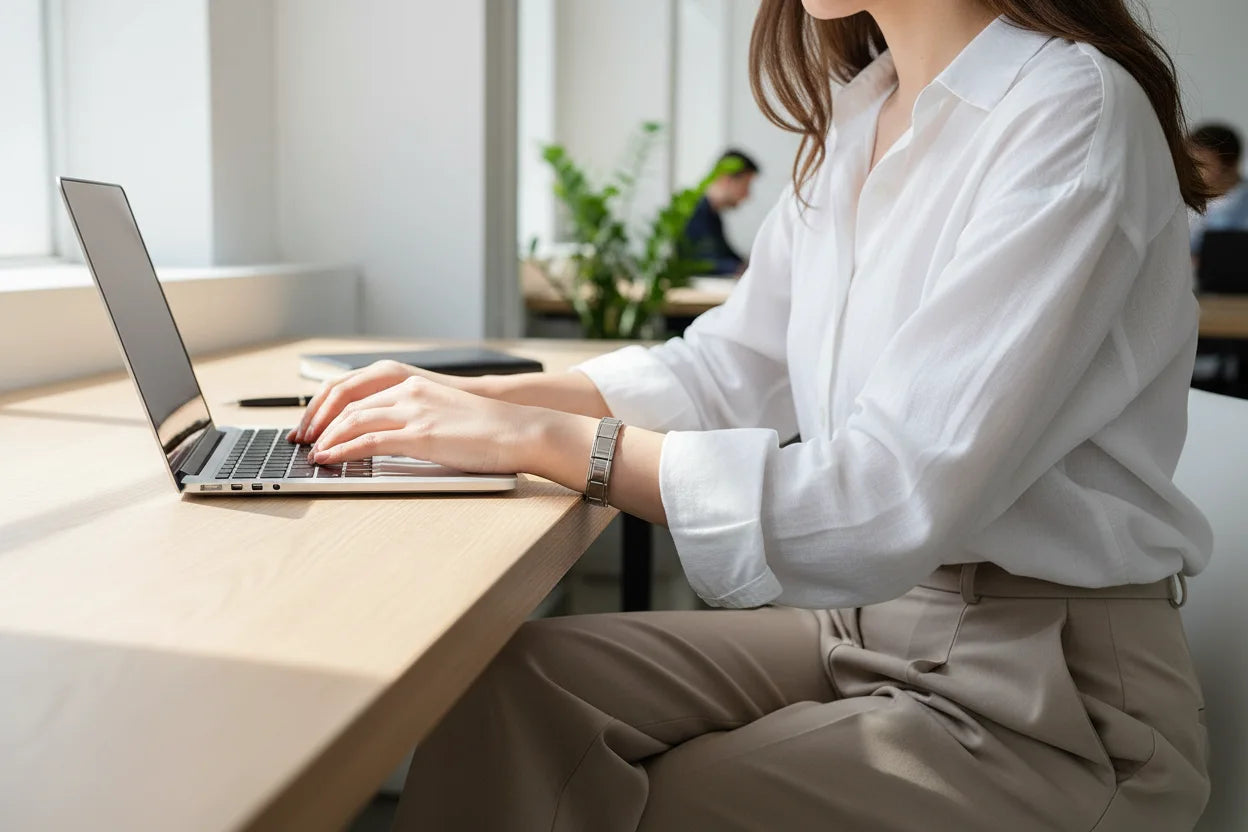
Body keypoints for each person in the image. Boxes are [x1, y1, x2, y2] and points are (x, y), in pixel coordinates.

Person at [294, 0, 1214, 828]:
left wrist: (546, 441)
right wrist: (469, 403)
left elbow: (886, 500)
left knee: (646, 799)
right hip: (866, 630)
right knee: (502, 689)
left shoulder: (1071, 109)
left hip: (1044, 703)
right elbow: (729, 365)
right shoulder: (864, 113)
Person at [683, 149, 760, 274]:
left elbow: (726, 255)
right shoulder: (693, 213)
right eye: (746, 185)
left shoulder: (712, 215)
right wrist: (740, 268)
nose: (747, 195)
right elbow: (700, 262)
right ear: (726, 179)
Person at [1189, 123, 1248, 257]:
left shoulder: (1241, 208)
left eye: (1201, 164)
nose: (1193, 171)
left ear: (1229, 164)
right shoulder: (1188, 201)